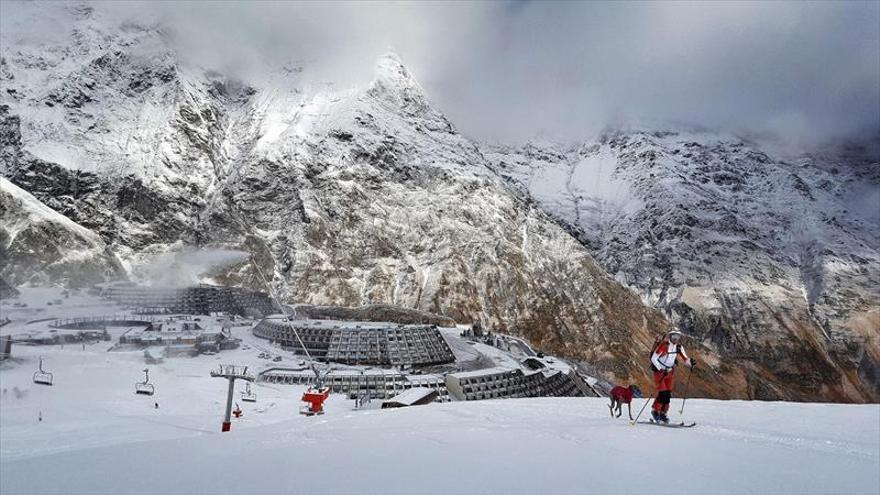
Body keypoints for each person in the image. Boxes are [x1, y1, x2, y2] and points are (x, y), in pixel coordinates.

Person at [649, 330, 696, 423]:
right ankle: (655, 412)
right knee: (662, 393)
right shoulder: (664, 346)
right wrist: (661, 369)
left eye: (678, 336)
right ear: (670, 336)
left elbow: (685, 359)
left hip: (670, 372)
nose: (676, 338)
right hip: (660, 372)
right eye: (674, 336)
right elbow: (654, 358)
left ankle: (663, 413)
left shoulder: (679, 347)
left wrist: (691, 362)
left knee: (668, 394)